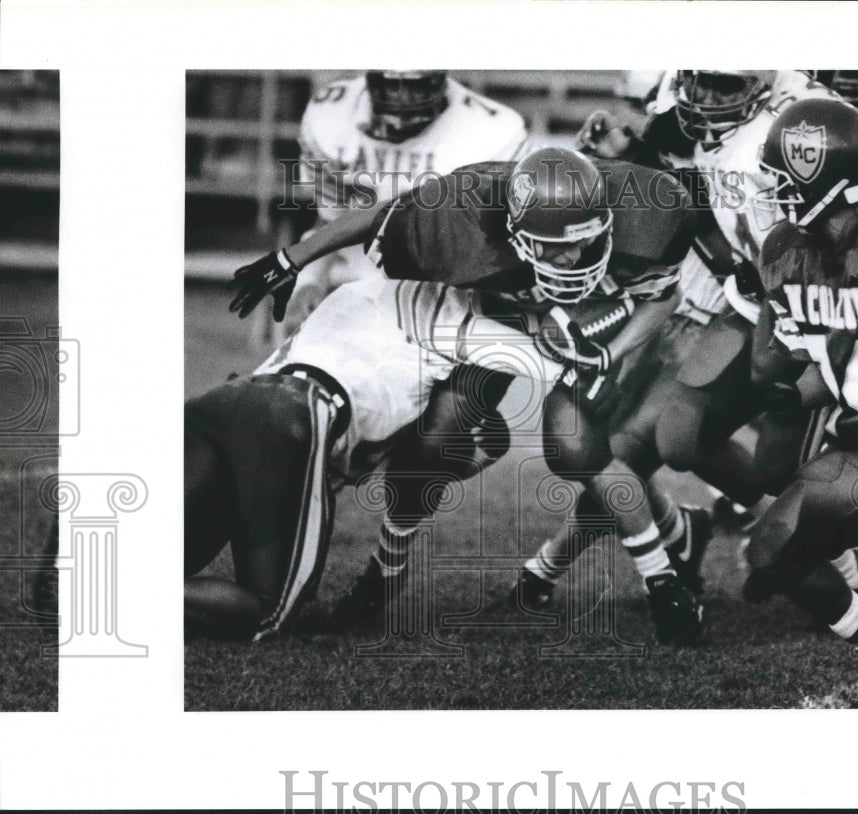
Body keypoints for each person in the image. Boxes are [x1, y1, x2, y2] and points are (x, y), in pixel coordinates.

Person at [230, 147, 707, 644]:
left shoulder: (649, 214)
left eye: (584, 241)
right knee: (436, 441)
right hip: (499, 316)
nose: (571, 257)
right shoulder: (466, 218)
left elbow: (664, 295)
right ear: (516, 235)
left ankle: (664, 582)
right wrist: (290, 259)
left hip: (597, 316)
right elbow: (382, 214)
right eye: (553, 247)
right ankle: (388, 568)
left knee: (575, 447)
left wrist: (613, 354)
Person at [512, 71, 850, 612]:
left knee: (638, 449)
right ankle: (719, 539)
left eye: (721, 86)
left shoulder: (790, 124)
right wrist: (627, 160)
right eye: (695, 85)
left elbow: (723, 224)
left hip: (751, 304)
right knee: (643, 446)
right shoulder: (685, 108)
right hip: (715, 300)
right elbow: (696, 197)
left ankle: (824, 559)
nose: (700, 102)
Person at [188, 273, 562, 641]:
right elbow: (546, 361)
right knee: (265, 613)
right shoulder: (446, 319)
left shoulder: (361, 296)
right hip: (295, 414)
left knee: (170, 557)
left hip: (223, 401)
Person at [743, 97, 858, 707]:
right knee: (772, 549)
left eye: (782, 176)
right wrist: (783, 385)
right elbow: (812, 364)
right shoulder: (785, 248)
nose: (772, 190)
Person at [275, 70, 527, 340]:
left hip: (451, 300)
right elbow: (331, 220)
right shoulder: (332, 116)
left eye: (415, 86)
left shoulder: (492, 133)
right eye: (391, 85)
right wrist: (309, 283)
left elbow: (498, 251)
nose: (403, 99)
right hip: (361, 288)